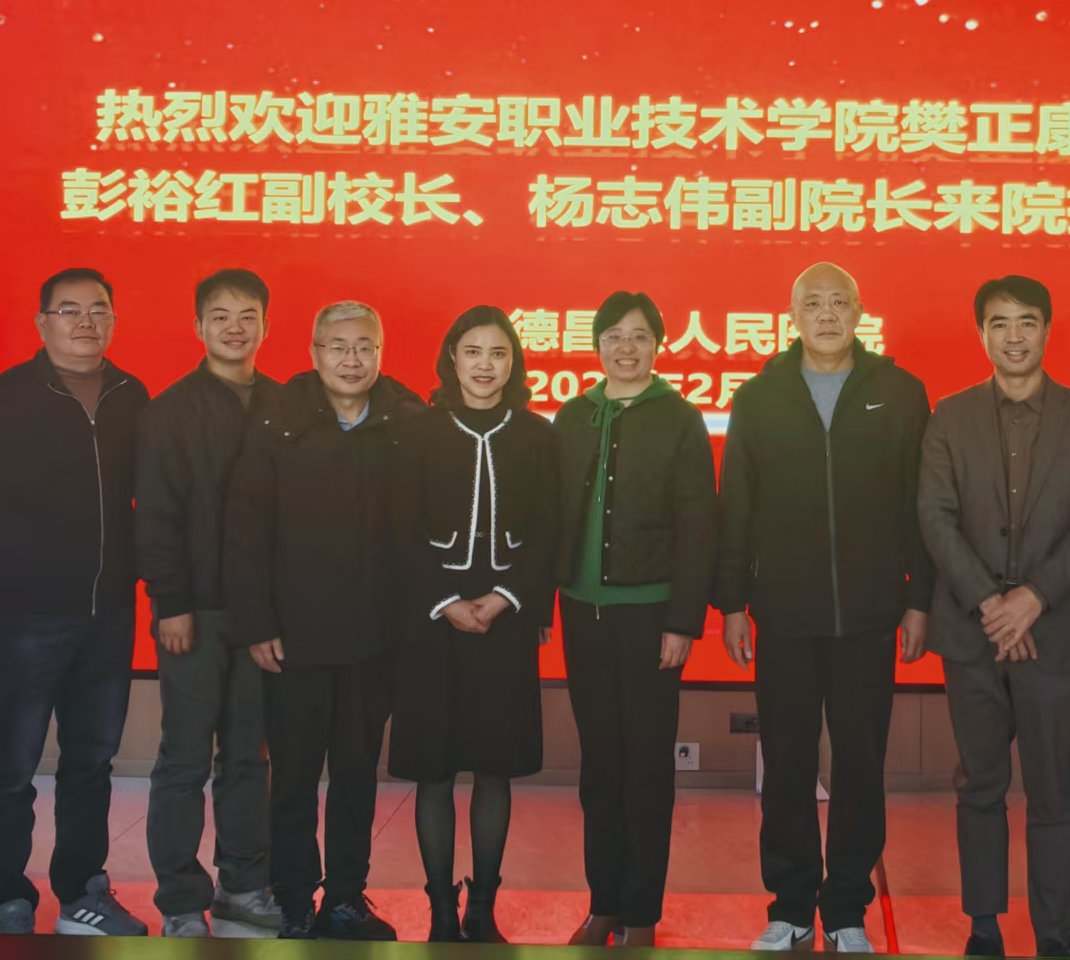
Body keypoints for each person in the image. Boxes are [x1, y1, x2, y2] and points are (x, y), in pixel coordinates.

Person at [716, 262, 931, 954]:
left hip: (870, 615)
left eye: (840, 302)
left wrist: (919, 599)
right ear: (793, 315)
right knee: (786, 763)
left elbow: (918, 506)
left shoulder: (899, 393)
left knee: (861, 765)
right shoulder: (759, 396)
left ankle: (845, 909)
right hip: (783, 615)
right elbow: (736, 506)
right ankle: (789, 906)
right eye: (814, 303)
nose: (828, 314)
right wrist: (732, 603)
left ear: (860, 312)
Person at [0, 268, 150, 936]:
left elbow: (149, 498)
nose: (86, 321)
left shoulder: (131, 395)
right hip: (27, 615)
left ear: (113, 319)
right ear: (42, 322)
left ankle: (82, 891)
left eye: (98, 309)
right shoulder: (6, 397)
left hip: (109, 613)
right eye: (69, 309)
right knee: (13, 762)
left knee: (91, 762)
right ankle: (8, 896)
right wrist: (6, 555)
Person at [919, 276, 1070, 959]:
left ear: (1048, 330)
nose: (1014, 336)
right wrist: (990, 603)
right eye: (999, 323)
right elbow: (935, 516)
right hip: (971, 633)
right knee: (979, 785)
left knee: (1054, 792)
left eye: (1026, 322)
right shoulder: (949, 415)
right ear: (981, 333)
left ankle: (1053, 933)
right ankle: (983, 928)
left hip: (1055, 634)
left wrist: (1033, 597)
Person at [224, 300, 424, 941]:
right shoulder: (278, 418)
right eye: (338, 347)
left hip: (375, 638)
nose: (352, 359)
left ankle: (344, 897)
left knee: (358, 775)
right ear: (314, 354)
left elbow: (421, 533)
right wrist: (257, 622)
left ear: (380, 353)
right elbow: (246, 529)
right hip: (295, 638)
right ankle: (292, 897)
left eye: (365, 347)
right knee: (294, 777)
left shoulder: (407, 421)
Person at [388, 306, 560, 943]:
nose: (485, 365)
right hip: (431, 622)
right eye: (473, 352)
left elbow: (550, 528)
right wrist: (445, 600)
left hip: (504, 623)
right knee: (434, 772)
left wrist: (507, 596)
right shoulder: (416, 432)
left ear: (513, 362)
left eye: (498, 353)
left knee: (494, 768)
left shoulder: (537, 435)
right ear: (451, 360)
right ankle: (440, 911)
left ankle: (482, 908)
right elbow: (398, 527)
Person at [554, 292, 720, 949]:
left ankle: (642, 912)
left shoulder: (679, 417)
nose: (626, 347)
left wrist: (683, 620)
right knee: (599, 765)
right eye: (614, 336)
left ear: (658, 345)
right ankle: (604, 904)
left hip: (652, 617)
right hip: (582, 611)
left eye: (640, 336)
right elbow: (551, 513)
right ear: (597, 344)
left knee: (646, 766)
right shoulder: (573, 415)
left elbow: (698, 524)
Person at [136, 269, 283, 939]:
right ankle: (179, 901)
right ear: (198, 326)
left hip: (260, 619)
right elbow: (156, 514)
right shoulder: (169, 411)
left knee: (248, 755)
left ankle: (243, 886)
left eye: (248, 315)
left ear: (266, 325)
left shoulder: (284, 404)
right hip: (192, 612)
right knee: (184, 759)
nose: (234, 327)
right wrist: (170, 601)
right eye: (220, 315)